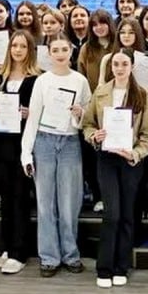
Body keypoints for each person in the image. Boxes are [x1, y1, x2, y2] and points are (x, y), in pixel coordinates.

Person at [82, 48, 148, 287]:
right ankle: (104, 268)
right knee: (112, 214)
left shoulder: (141, 95)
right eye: (116, 64)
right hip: (106, 159)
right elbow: (87, 125)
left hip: (130, 161)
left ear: (132, 66)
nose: (120, 68)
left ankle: (121, 267)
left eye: (124, 64)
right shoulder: (101, 92)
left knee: (127, 215)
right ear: (110, 67)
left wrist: (135, 153)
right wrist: (94, 135)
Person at [21, 36, 92, 276]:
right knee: (45, 203)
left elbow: (88, 118)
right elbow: (33, 117)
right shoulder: (42, 81)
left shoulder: (80, 80)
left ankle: (71, 255)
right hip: (44, 142)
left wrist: (79, 113)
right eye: (56, 50)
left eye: (64, 49)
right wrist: (26, 154)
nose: (60, 53)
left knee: (70, 203)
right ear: (49, 54)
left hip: (70, 142)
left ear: (71, 52)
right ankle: (49, 257)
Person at [0, 31, 41, 275]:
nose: (18, 50)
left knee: (21, 197)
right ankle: (7, 246)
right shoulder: (0, 77)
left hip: (23, 144)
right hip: (2, 144)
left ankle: (20, 251)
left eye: (23, 46)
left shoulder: (37, 78)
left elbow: (41, 112)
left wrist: (30, 113)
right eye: (14, 46)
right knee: (6, 198)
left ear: (30, 50)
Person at [102, 17, 145, 86]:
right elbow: (100, 86)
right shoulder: (107, 59)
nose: (126, 36)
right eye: (122, 32)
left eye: (131, 32)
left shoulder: (145, 61)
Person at [77, 9, 115, 86]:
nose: (99, 27)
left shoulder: (118, 45)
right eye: (95, 25)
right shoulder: (86, 48)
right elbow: (81, 74)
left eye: (102, 23)